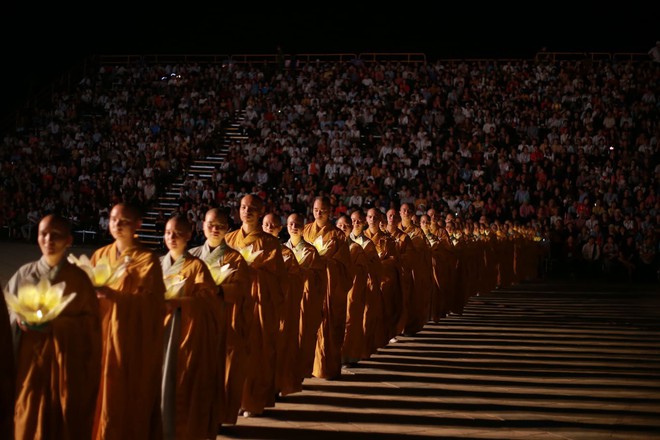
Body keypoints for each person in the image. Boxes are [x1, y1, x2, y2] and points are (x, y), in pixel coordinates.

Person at [4, 214, 101, 439]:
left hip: (65, 366)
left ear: (68, 240)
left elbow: (91, 327)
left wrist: (58, 325)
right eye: (43, 234)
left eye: (55, 235)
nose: (48, 240)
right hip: (29, 364)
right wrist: (19, 321)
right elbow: (8, 313)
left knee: (61, 421)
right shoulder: (24, 273)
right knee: (27, 416)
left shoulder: (79, 279)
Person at [91, 202, 166, 439]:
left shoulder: (147, 260)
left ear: (137, 225)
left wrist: (115, 296)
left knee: (124, 395)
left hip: (130, 340)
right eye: (113, 219)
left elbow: (153, 305)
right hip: (101, 338)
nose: (117, 225)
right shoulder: (100, 255)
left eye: (124, 220)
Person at [160, 214, 223, 440]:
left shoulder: (197, 266)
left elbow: (209, 302)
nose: (172, 237)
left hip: (185, 331)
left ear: (188, 235)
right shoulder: (158, 264)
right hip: (159, 332)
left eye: (178, 233)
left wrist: (179, 302)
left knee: (181, 382)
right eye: (168, 233)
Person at [189, 207, 251, 427]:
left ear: (227, 229)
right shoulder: (193, 255)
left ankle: (215, 417)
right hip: (193, 323)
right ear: (202, 225)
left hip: (222, 322)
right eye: (210, 224)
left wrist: (219, 290)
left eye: (221, 226)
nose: (215, 229)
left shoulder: (235, 258)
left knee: (218, 372)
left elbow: (242, 289)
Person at [224, 194, 285, 417]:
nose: (247, 211)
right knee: (231, 354)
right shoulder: (228, 239)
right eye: (243, 207)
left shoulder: (270, 243)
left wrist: (252, 271)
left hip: (258, 305)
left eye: (252, 208)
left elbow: (278, 279)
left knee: (255, 353)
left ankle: (251, 401)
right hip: (232, 304)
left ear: (260, 212)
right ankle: (230, 400)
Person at [302, 196, 353, 380]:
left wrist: (327, 262)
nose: (319, 213)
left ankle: (326, 368)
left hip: (330, 288)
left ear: (330, 212)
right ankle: (305, 367)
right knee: (306, 327)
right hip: (309, 286)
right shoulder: (305, 230)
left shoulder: (338, 235)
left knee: (329, 328)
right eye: (316, 209)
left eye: (323, 210)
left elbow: (346, 265)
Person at [262, 212, 303, 397]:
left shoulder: (286, 253)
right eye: (266, 225)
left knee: (278, 347)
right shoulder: (253, 250)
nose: (269, 228)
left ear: (280, 229)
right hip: (258, 306)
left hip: (280, 307)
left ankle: (277, 383)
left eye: (273, 225)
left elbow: (295, 280)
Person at [284, 212, 326, 384]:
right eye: (291, 224)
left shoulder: (311, 250)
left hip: (305, 299)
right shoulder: (282, 250)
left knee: (303, 336)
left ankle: (300, 370)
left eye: (298, 224)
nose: (294, 227)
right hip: (286, 299)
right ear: (286, 227)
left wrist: (302, 272)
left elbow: (319, 276)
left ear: (304, 228)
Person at [336, 213, 367, 367]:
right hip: (332, 291)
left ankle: (348, 355)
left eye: (346, 225)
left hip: (350, 291)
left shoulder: (355, 248)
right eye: (340, 225)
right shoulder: (329, 246)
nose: (343, 228)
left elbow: (362, 272)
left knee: (349, 321)